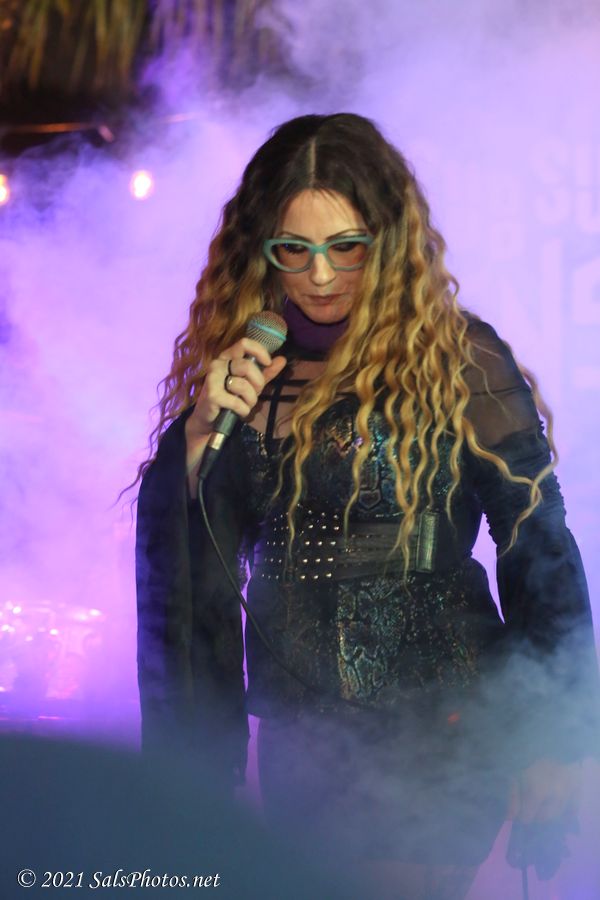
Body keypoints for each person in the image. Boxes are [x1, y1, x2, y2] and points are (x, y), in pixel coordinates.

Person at [134, 113, 599, 899]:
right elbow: (187, 566)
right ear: (264, 250)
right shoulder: (248, 374)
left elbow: (537, 541)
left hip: (440, 723)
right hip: (300, 741)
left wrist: (555, 737)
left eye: (345, 247)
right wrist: (199, 438)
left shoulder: (460, 358)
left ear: (387, 241)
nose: (320, 275)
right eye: (295, 250)